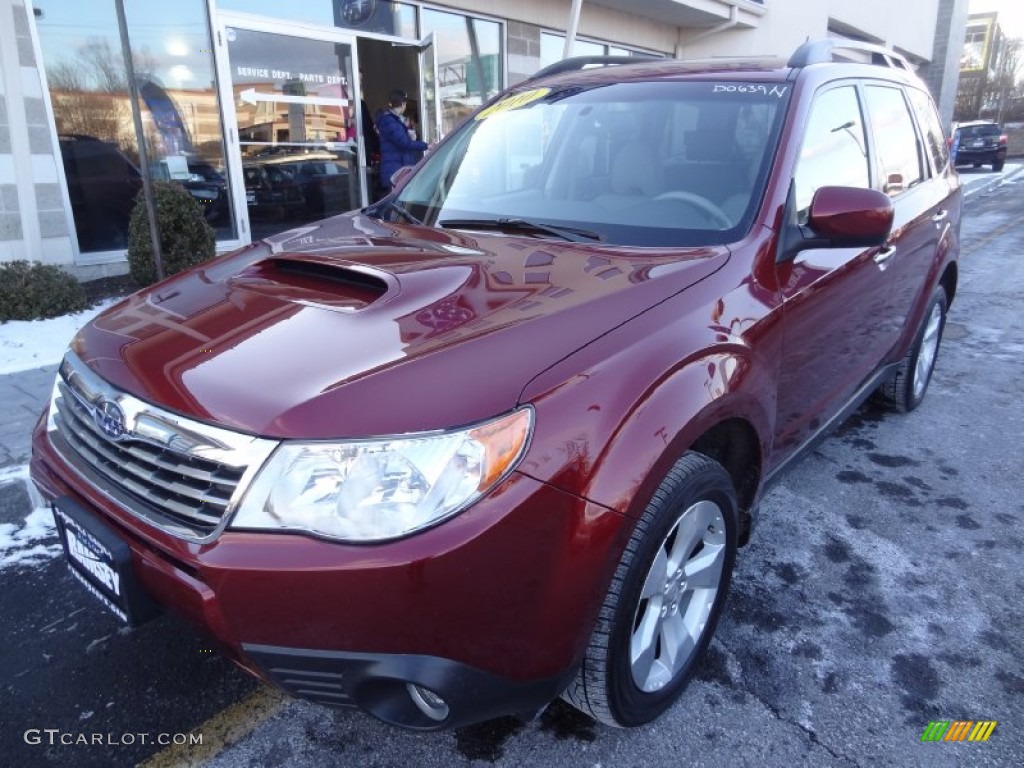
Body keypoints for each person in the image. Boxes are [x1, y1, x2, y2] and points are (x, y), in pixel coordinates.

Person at [376, 89, 429, 197]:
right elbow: (404, 143)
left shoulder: (392, 120)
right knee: (395, 204)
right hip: (394, 171)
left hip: (397, 169)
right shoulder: (389, 121)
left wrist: (410, 137)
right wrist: (426, 145)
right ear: (403, 104)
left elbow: (401, 141)